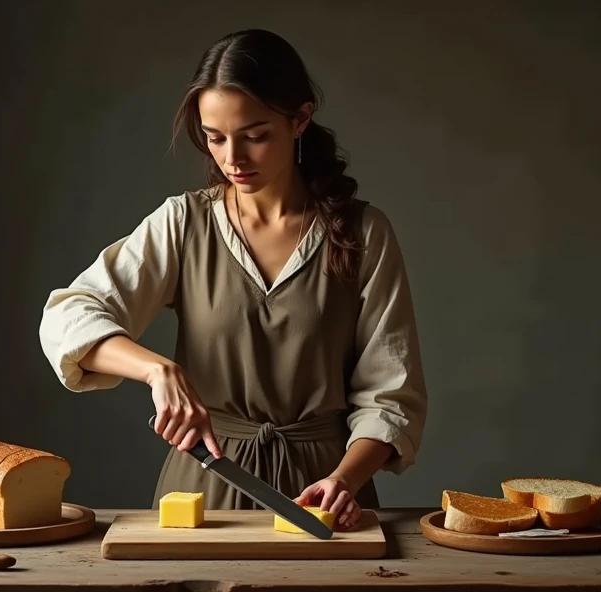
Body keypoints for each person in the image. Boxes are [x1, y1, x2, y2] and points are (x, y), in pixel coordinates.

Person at [38, 28, 427, 530]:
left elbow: (391, 392)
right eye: (214, 137)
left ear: (300, 119)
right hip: (203, 491)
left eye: (255, 136)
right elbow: (69, 316)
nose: (231, 159)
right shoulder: (182, 223)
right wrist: (159, 371)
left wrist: (345, 480)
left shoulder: (364, 233)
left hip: (323, 496)